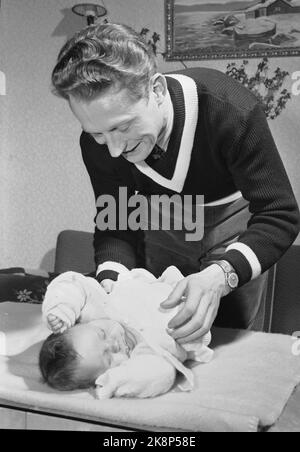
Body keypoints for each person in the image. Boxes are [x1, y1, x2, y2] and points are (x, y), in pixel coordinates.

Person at [51, 22, 300, 344]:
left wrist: (222, 275)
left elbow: (279, 213)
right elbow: (117, 224)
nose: (113, 149)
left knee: (225, 337)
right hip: (160, 222)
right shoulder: (97, 146)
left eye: (123, 127)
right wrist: (111, 281)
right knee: (154, 333)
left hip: (234, 225)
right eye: (97, 133)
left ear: (156, 90)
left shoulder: (230, 109)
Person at [39, 266, 213, 398]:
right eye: (108, 358)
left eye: (102, 334)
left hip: (155, 282)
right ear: (104, 374)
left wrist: (62, 307)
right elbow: (162, 373)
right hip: (197, 309)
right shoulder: (145, 352)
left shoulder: (98, 308)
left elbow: (74, 282)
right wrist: (116, 381)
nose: (113, 343)